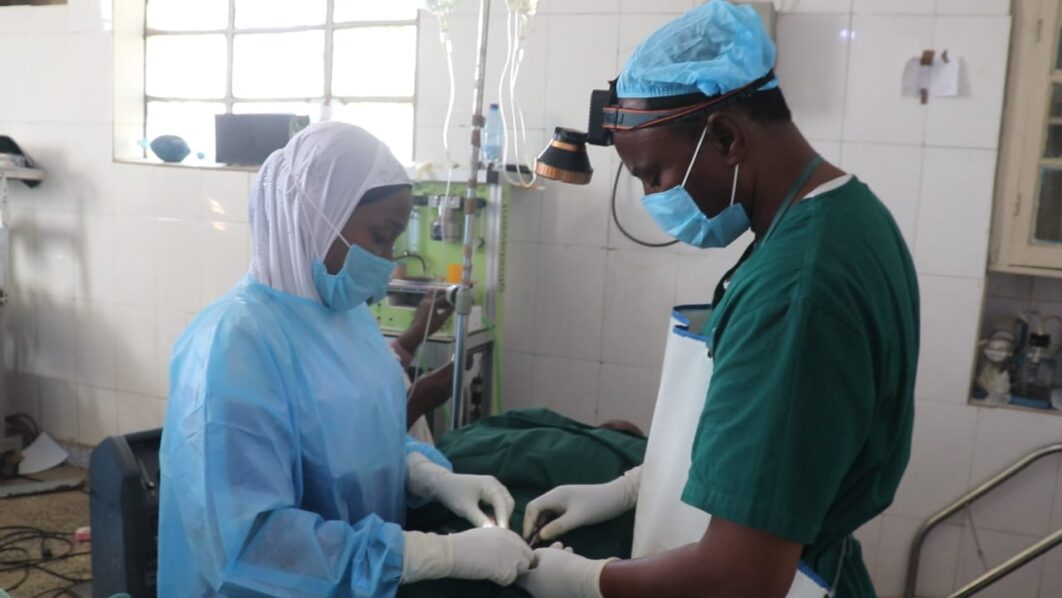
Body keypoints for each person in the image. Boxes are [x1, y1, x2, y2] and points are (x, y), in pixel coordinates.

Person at [517, 2, 919, 597]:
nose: (655, 198)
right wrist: (636, 485)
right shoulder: (845, 215)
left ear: (727, 137)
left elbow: (741, 576)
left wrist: (581, 580)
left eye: (654, 175)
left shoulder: (795, 290)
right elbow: (781, 441)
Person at [158, 122, 532, 597]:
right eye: (380, 236)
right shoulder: (232, 344)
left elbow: (362, 442)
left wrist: (425, 475)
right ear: (314, 216)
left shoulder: (348, 320)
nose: (387, 260)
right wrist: (430, 554)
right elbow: (248, 545)